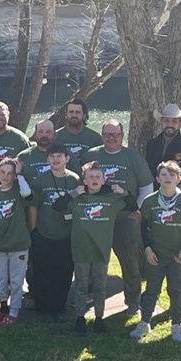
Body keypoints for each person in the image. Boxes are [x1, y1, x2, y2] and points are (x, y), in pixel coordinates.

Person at [52, 162, 136, 336]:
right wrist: (74, 193)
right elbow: (57, 206)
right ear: (84, 180)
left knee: (100, 286)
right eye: (90, 176)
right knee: (81, 285)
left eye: (98, 176)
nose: (95, 179)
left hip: (101, 249)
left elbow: (132, 206)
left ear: (104, 179)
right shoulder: (78, 199)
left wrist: (124, 192)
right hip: (81, 248)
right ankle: (80, 318)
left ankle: (99, 318)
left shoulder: (112, 199)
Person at [82, 120, 154, 315]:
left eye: (115, 134)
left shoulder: (133, 158)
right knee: (91, 258)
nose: (111, 138)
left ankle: (132, 301)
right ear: (102, 135)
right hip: (96, 220)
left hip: (124, 219)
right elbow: (80, 183)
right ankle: (88, 294)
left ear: (122, 135)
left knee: (130, 262)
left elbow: (146, 187)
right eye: (107, 134)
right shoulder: (91, 155)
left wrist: (137, 211)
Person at [132, 161, 181, 341]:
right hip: (156, 254)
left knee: (176, 290)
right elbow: (144, 228)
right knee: (152, 289)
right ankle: (145, 322)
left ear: (179, 179)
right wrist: (147, 249)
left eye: (171, 175)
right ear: (157, 178)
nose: (167, 178)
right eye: (163, 175)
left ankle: (176, 325)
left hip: (177, 256)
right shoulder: (150, 201)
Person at [27, 143, 79, 322]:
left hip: (67, 234)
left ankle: (59, 307)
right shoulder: (41, 180)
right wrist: (34, 230)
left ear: (67, 158)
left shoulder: (74, 179)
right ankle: (43, 308)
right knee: (43, 271)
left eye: (59, 156)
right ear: (47, 159)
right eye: (52, 156)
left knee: (64, 272)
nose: (56, 159)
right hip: (44, 232)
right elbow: (34, 205)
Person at [0, 157, 32, 326]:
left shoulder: (18, 190)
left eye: (10, 173)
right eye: (3, 172)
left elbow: (27, 193)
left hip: (18, 244)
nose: (6, 176)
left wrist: (20, 175)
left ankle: (14, 311)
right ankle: (3, 307)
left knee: (17, 280)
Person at [144, 104, 181, 183]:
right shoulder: (151, 145)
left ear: (180, 123)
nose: (170, 125)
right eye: (166, 120)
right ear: (161, 122)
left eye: (174, 121)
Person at [57, 100, 102, 164]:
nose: (74, 115)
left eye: (77, 112)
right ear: (66, 115)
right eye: (71, 112)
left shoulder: (96, 138)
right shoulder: (56, 136)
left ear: (84, 116)